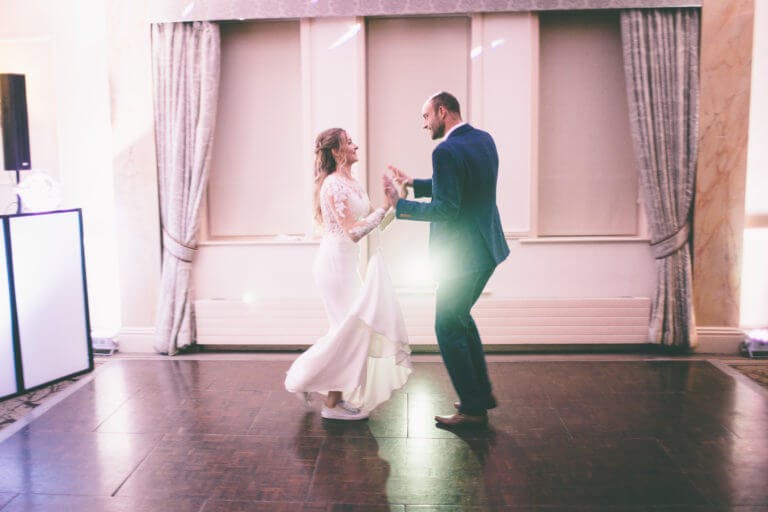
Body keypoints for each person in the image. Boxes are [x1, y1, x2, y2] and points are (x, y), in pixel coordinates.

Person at [383, 91, 509, 427]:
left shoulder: (445, 150)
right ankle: (480, 394)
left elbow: (447, 209)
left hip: (461, 257)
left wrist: (400, 205)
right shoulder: (483, 140)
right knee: (461, 320)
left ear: (442, 111)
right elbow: (465, 187)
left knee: (447, 326)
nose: (424, 125)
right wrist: (415, 184)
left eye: (426, 117)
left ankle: (472, 410)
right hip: (487, 248)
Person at [285, 127, 412, 420]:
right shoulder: (332, 185)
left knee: (350, 332)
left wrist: (395, 202)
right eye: (348, 141)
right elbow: (353, 232)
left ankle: (326, 394)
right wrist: (381, 209)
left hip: (346, 266)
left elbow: (375, 225)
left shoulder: (352, 183)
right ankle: (320, 393)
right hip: (333, 266)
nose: (355, 144)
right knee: (348, 331)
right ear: (336, 151)